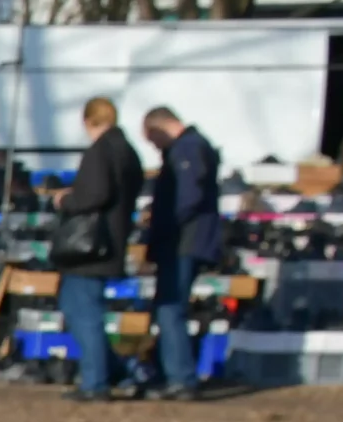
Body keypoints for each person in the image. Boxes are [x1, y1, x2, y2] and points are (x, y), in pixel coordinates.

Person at [55, 98, 145, 403]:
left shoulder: (100, 152)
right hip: (114, 241)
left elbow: (95, 194)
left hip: (90, 247)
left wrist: (66, 200)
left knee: (82, 311)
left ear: (88, 121)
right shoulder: (128, 152)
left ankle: (96, 382)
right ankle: (114, 370)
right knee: (85, 308)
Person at [142, 106, 221, 399]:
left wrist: (165, 223)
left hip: (183, 241)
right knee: (170, 308)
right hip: (186, 240)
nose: (155, 147)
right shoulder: (195, 147)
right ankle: (172, 372)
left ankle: (180, 377)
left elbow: (188, 196)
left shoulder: (188, 149)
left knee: (170, 308)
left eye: (153, 140)